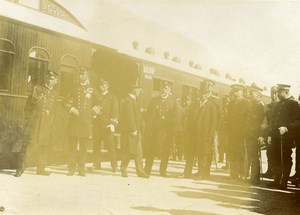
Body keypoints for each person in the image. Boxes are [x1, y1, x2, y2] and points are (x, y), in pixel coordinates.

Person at [15, 70, 59, 177]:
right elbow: (28, 106)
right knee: (27, 145)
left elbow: (54, 109)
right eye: (48, 78)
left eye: (52, 79)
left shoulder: (54, 94)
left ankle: (41, 169)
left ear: (56, 81)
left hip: (46, 122)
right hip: (34, 121)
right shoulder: (37, 89)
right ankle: (20, 169)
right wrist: (27, 120)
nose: (49, 80)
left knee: (43, 145)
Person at [65, 67, 99, 177]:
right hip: (74, 121)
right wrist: (71, 109)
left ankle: (81, 168)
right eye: (80, 74)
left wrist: (93, 112)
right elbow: (65, 101)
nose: (80, 76)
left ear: (87, 75)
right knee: (72, 146)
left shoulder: (92, 89)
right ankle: (71, 168)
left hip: (85, 121)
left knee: (84, 147)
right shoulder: (74, 88)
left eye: (83, 75)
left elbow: (101, 102)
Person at [267, 84, 300, 189]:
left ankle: (284, 181)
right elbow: (273, 122)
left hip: (287, 137)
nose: (277, 95)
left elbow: (298, 121)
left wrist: (287, 128)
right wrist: (270, 135)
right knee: (276, 157)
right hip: (276, 136)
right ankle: (277, 179)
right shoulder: (278, 104)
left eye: (279, 92)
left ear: (285, 92)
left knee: (285, 158)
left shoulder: (294, 104)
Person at [144, 81, 178, 177]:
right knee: (151, 151)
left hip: (166, 132)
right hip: (155, 131)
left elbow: (176, 117)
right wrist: (149, 128)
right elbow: (149, 115)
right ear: (160, 89)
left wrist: (172, 130)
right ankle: (147, 170)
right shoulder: (154, 100)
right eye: (162, 88)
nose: (164, 90)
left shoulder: (173, 101)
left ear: (169, 90)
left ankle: (163, 171)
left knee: (165, 152)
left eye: (166, 88)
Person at [119, 85, 149, 178]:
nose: (140, 93)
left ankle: (140, 171)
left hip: (137, 130)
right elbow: (129, 116)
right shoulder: (129, 101)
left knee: (139, 151)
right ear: (134, 90)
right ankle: (123, 168)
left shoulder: (133, 100)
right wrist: (133, 129)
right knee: (130, 151)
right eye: (139, 91)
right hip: (132, 131)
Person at [192, 79, 218, 180]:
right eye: (202, 93)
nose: (203, 95)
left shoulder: (212, 106)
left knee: (204, 153)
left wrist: (211, 134)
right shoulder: (198, 104)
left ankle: (202, 173)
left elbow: (213, 122)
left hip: (206, 134)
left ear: (208, 95)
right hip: (198, 133)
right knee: (199, 152)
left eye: (205, 94)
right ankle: (200, 171)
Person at [92, 78, 118, 172]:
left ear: (108, 86)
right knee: (96, 145)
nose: (102, 86)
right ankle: (96, 164)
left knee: (110, 146)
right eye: (101, 85)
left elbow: (115, 112)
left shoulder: (112, 97)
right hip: (97, 125)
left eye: (104, 85)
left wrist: (112, 124)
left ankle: (114, 166)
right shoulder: (96, 97)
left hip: (107, 126)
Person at [227, 83, 250, 181]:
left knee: (241, 153)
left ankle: (242, 173)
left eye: (238, 91)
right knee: (232, 153)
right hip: (232, 132)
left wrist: (245, 131)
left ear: (242, 92)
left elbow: (248, 118)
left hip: (241, 133)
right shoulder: (231, 103)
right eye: (234, 91)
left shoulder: (246, 103)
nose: (236, 93)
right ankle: (233, 174)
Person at [245, 85, 265, 185]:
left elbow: (263, 123)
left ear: (258, 95)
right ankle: (252, 177)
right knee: (251, 155)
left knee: (254, 156)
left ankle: (254, 178)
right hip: (250, 134)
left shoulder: (261, 106)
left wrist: (261, 135)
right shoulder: (252, 105)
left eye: (252, 94)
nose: (250, 96)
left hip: (255, 134)